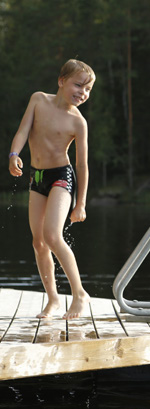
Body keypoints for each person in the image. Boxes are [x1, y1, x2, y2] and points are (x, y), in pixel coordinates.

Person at [8, 59, 95, 319]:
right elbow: (23, 130)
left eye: (88, 89)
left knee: (52, 235)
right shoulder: (38, 100)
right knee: (38, 242)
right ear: (61, 81)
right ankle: (54, 299)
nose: (83, 92)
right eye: (78, 85)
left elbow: (82, 166)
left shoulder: (78, 123)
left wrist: (80, 204)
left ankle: (79, 294)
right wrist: (14, 154)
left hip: (62, 177)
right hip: (38, 177)